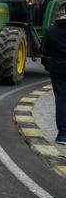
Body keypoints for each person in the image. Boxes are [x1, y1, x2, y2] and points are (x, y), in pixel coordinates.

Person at [42, 14, 66, 145]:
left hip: (58, 69)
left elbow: (44, 50)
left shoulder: (52, 30)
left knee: (61, 100)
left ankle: (63, 135)